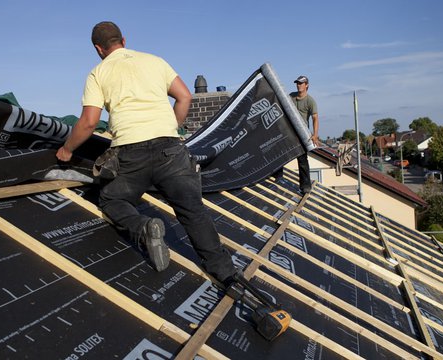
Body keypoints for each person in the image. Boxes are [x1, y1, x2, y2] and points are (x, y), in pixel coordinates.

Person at [56, 21, 238, 286]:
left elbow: (88, 122)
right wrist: (170, 128)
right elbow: (185, 97)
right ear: (124, 40)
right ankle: (226, 273)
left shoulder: (98, 73)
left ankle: (142, 227)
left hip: (131, 155)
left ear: (98, 49)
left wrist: (66, 149)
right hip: (170, 150)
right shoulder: (155, 61)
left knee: (111, 199)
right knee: (193, 211)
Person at [273, 75, 320, 193]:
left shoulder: (310, 101)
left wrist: (315, 135)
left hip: (302, 133)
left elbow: (315, 118)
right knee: (279, 152)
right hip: (289, 130)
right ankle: (277, 177)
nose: (299, 85)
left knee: (302, 160)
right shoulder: (291, 96)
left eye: (301, 83)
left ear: (306, 85)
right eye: (297, 83)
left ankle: (305, 187)